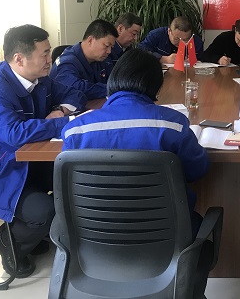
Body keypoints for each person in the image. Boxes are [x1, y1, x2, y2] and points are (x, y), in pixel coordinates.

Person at [61, 48, 210, 297]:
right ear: (155, 86)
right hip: (168, 233)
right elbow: (199, 169)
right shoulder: (172, 124)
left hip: (92, 236)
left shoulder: (75, 130)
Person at [0, 25, 87, 278]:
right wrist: (64, 122)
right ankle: (9, 243)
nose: (51, 59)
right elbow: (14, 133)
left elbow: (75, 94)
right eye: (45, 53)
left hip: (26, 161)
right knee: (46, 210)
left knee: (75, 176)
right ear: (19, 59)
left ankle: (32, 232)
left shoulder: (39, 78)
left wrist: (59, 110)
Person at [50, 19, 118, 99]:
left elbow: (114, 81)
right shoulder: (66, 62)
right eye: (106, 45)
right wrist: (112, 89)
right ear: (90, 40)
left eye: (111, 47)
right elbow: (77, 88)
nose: (109, 51)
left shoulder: (102, 59)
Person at [139, 15, 204, 65]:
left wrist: (194, 60)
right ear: (169, 31)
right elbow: (141, 52)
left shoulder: (196, 42)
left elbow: (201, 60)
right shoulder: (156, 35)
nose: (180, 43)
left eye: (185, 40)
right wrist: (163, 59)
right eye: (177, 39)